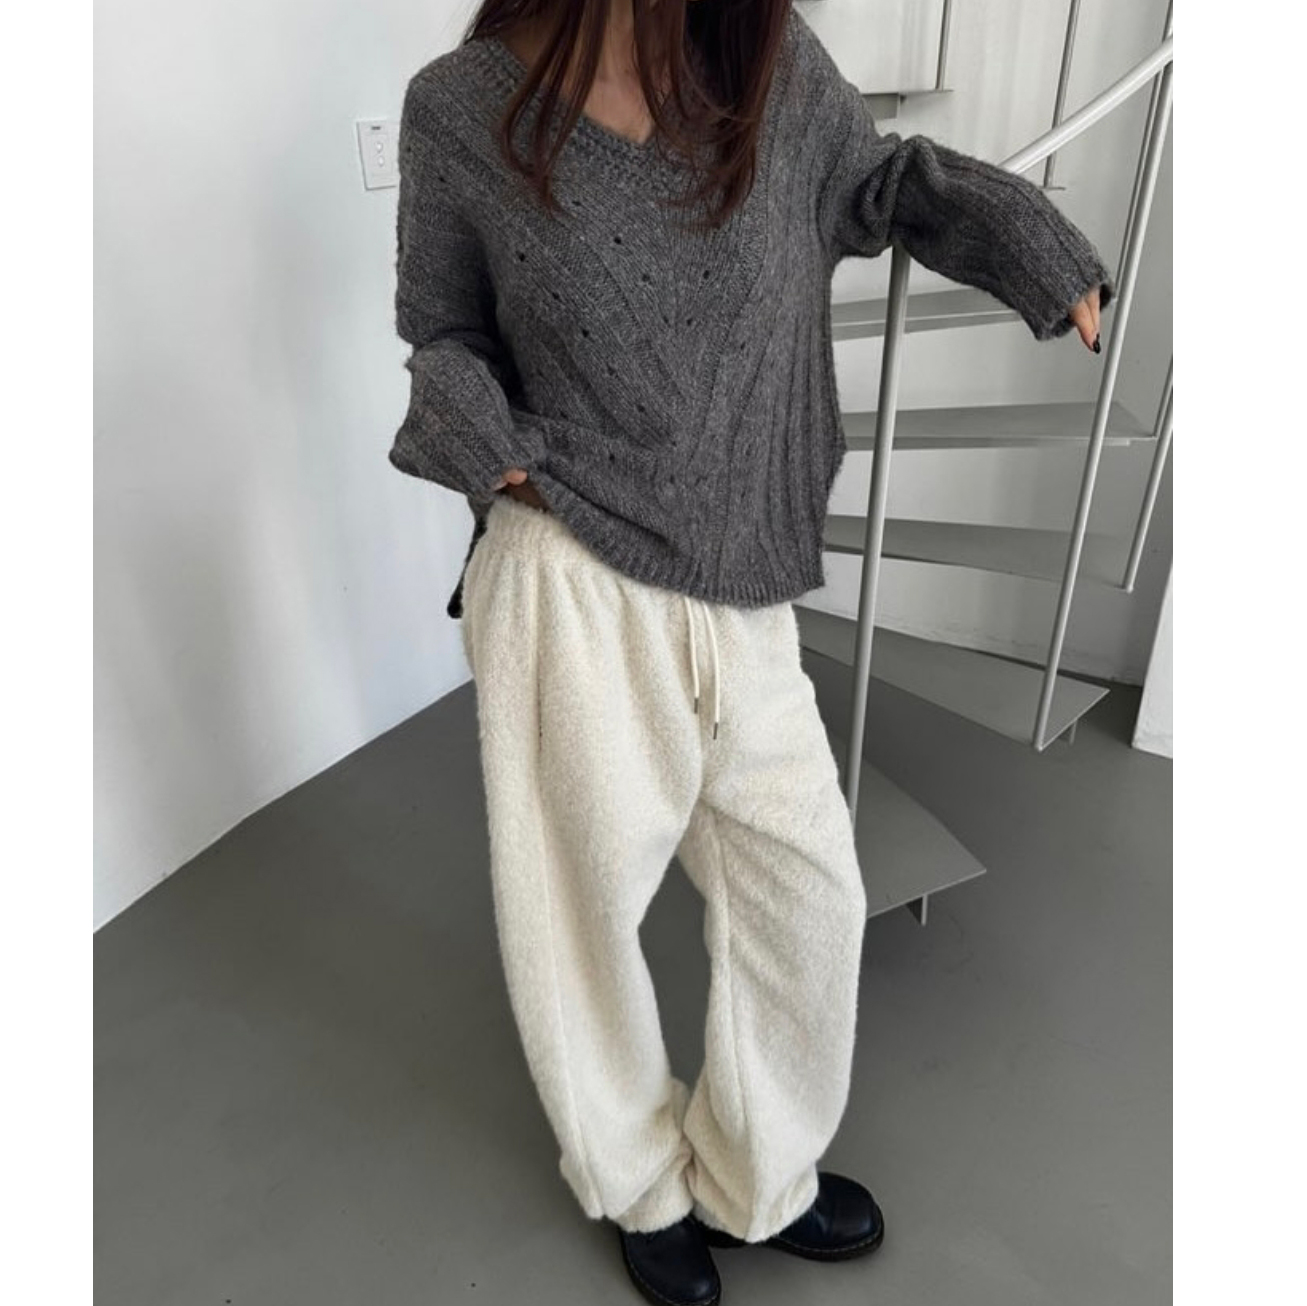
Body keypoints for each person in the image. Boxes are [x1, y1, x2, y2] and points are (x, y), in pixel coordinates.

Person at [388, 3, 1112, 1303]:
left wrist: (1030, 249)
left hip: (742, 583)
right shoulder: (461, 106)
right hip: (571, 580)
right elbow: (444, 332)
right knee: (576, 922)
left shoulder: (765, 62)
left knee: (808, 895)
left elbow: (884, 180)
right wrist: (487, 446)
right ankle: (636, 1181)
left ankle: (758, 1171)